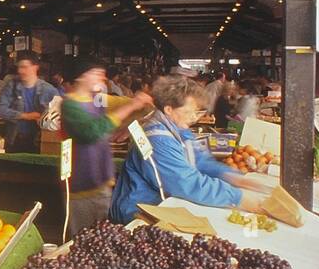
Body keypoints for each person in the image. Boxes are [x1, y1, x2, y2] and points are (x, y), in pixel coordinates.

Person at [110, 75, 267, 223]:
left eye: (196, 111)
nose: (194, 117)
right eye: (188, 111)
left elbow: (201, 161)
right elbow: (184, 182)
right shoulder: (155, 138)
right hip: (139, 212)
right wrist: (237, 197)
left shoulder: (180, 130)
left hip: (164, 205)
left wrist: (234, 177)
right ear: (169, 109)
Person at [60, 58, 153, 235]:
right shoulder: (70, 105)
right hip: (81, 186)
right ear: (80, 77)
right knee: (82, 238)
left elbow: (127, 105)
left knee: (102, 235)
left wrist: (136, 111)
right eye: (95, 73)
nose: (102, 78)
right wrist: (132, 106)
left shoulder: (97, 99)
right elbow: (91, 131)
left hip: (101, 181)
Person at [0, 51, 60, 153]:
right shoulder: (11, 86)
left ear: (35, 67)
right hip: (14, 139)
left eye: (24, 67)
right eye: (19, 67)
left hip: (40, 141)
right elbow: (0, 109)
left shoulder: (49, 90)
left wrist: (45, 119)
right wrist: (25, 116)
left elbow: (58, 119)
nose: (20, 71)